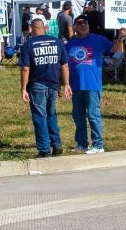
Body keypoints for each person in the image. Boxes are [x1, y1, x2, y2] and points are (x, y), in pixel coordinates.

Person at [65, 16, 119, 153]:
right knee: (78, 116)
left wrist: (122, 37)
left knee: (93, 115)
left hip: (92, 85)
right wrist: (65, 83)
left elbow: (113, 50)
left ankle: (98, 145)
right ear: (75, 27)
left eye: (85, 22)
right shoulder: (70, 44)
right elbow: (64, 64)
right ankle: (82, 143)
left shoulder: (98, 40)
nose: (83, 25)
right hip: (75, 85)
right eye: (79, 23)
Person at [19, 17, 69, 157]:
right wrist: (65, 84)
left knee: (39, 116)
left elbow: (25, 69)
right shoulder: (57, 42)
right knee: (51, 114)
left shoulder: (29, 44)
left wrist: (23, 88)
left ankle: (44, 149)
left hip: (37, 84)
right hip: (53, 84)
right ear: (44, 28)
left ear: (32, 29)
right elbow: (64, 65)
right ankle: (56, 143)